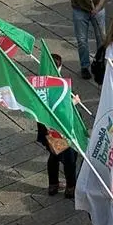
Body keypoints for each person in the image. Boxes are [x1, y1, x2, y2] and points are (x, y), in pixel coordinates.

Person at [61, 0, 109, 80]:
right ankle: (84, 66)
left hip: (97, 9)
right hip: (80, 10)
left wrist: (98, 7)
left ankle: (99, 62)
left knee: (102, 39)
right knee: (82, 41)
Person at [34, 52, 78, 198]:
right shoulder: (58, 84)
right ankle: (71, 187)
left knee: (54, 155)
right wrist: (73, 103)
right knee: (69, 157)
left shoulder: (39, 84)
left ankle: (53, 184)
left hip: (47, 129)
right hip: (59, 129)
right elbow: (61, 108)